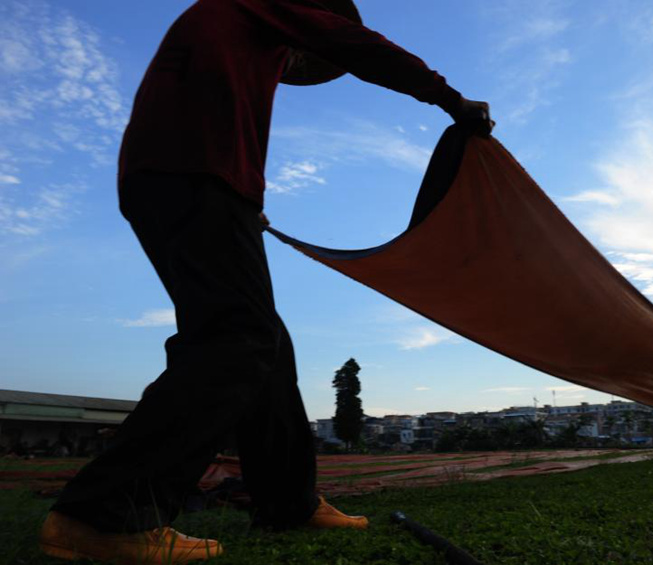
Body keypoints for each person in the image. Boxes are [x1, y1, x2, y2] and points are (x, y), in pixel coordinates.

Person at [39, 1, 493, 563]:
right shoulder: (260, 3)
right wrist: (452, 101)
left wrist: (243, 204)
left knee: (266, 346)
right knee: (237, 337)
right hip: (192, 177)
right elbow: (364, 47)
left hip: (196, 183)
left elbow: (207, 108)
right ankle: (103, 515)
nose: (301, 58)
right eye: (309, 47)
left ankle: (288, 502)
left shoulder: (234, 35)